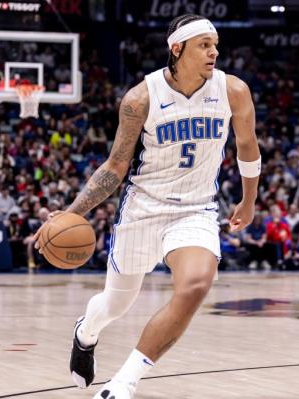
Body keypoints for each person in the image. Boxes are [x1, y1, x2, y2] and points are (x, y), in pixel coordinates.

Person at [34, 14, 260, 399]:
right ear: (177, 49)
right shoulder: (141, 98)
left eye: (215, 44)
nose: (214, 51)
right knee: (116, 305)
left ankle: (124, 383)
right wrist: (72, 213)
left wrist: (249, 200)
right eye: (204, 44)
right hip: (143, 208)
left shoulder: (233, 90)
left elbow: (247, 146)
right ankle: (85, 333)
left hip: (196, 209)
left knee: (195, 286)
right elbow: (115, 166)